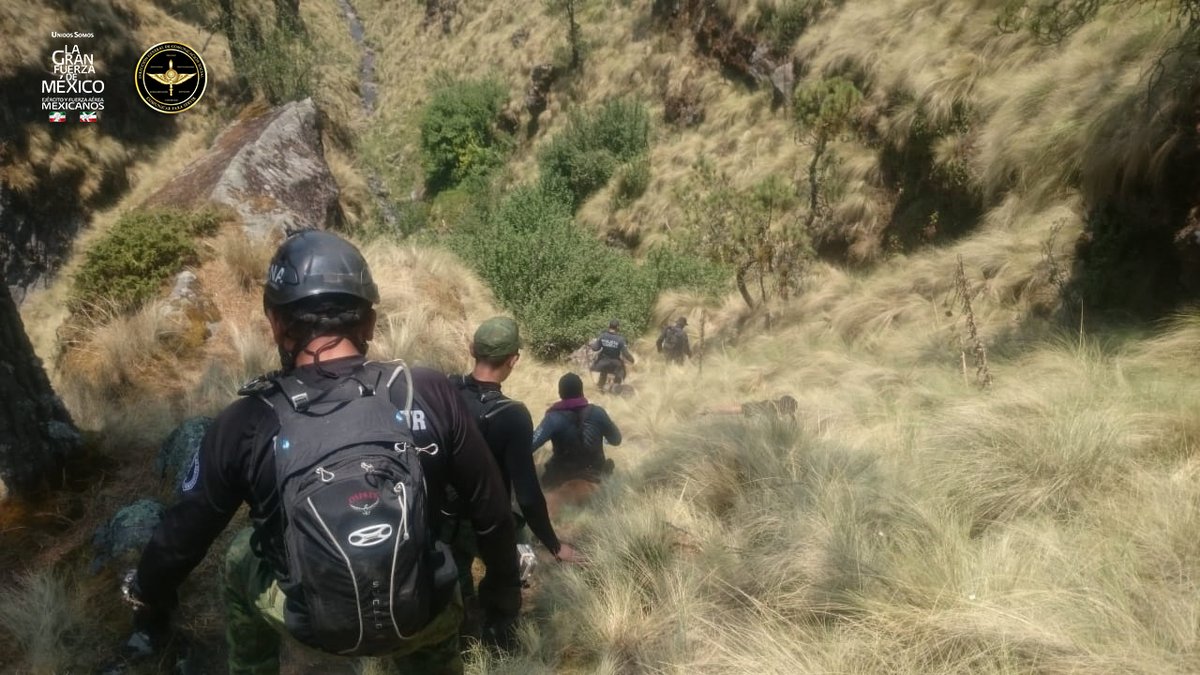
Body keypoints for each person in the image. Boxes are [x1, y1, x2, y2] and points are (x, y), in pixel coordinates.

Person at [121, 230, 521, 675]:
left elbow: (182, 535)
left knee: (238, 556)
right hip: (420, 611)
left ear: (275, 324)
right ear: (368, 322)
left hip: (311, 626)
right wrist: (503, 597)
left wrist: (149, 599)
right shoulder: (426, 390)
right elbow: (491, 509)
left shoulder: (246, 420)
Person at [447, 317, 583, 632]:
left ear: (472, 350)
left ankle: (463, 635)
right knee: (505, 584)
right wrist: (553, 543)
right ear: (514, 360)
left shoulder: (446, 392)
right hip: (490, 519)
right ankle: (498, 639)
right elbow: (526, 492)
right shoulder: (513, 415)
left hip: (445, 518)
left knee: (456, 589)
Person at [531, 373, 622, 491]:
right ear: (581, 391)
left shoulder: (552, 418)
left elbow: (529, 445)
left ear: (560, 393)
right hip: (596, 472)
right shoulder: (598, 412)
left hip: (564, 475)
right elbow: (616, 440)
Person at [589, 319, 635, 393]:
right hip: (615, 364)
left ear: (609, 326)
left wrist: (591, 345)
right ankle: (616, 388)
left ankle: (600, 390)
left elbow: (595, 348)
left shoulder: (602, 336)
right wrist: (632, 360)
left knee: (603, 374)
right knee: (621, 373)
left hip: (602, 363)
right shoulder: (620, 339)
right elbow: (625, 354)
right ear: (617, 327)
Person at [703, 395, 798, 419]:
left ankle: (710, 409)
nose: (789, 413)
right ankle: (710, 410)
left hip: (753, 406)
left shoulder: (778, 404)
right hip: (752, 408)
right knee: (730, 410)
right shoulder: (775, 408)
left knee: (732, 408)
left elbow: (792, 416)